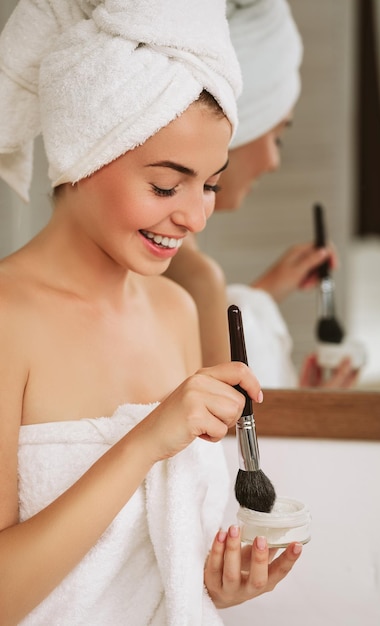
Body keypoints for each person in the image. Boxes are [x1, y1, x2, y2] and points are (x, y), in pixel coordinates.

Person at [0, 1, 302, 624]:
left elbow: (139, 565)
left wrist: (208, 585)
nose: (194, 217)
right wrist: (147, 441)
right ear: (85, 151)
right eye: (167, 185)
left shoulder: (175, 309)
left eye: (210, 184)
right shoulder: (9, 320)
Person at [165, 0, 359, 390]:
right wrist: (319, 417)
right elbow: (226, 444)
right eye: (277, 136)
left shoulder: (185, 269)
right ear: (238, 122)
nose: (272, 161)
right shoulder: (190, 274)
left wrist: (266, 291)